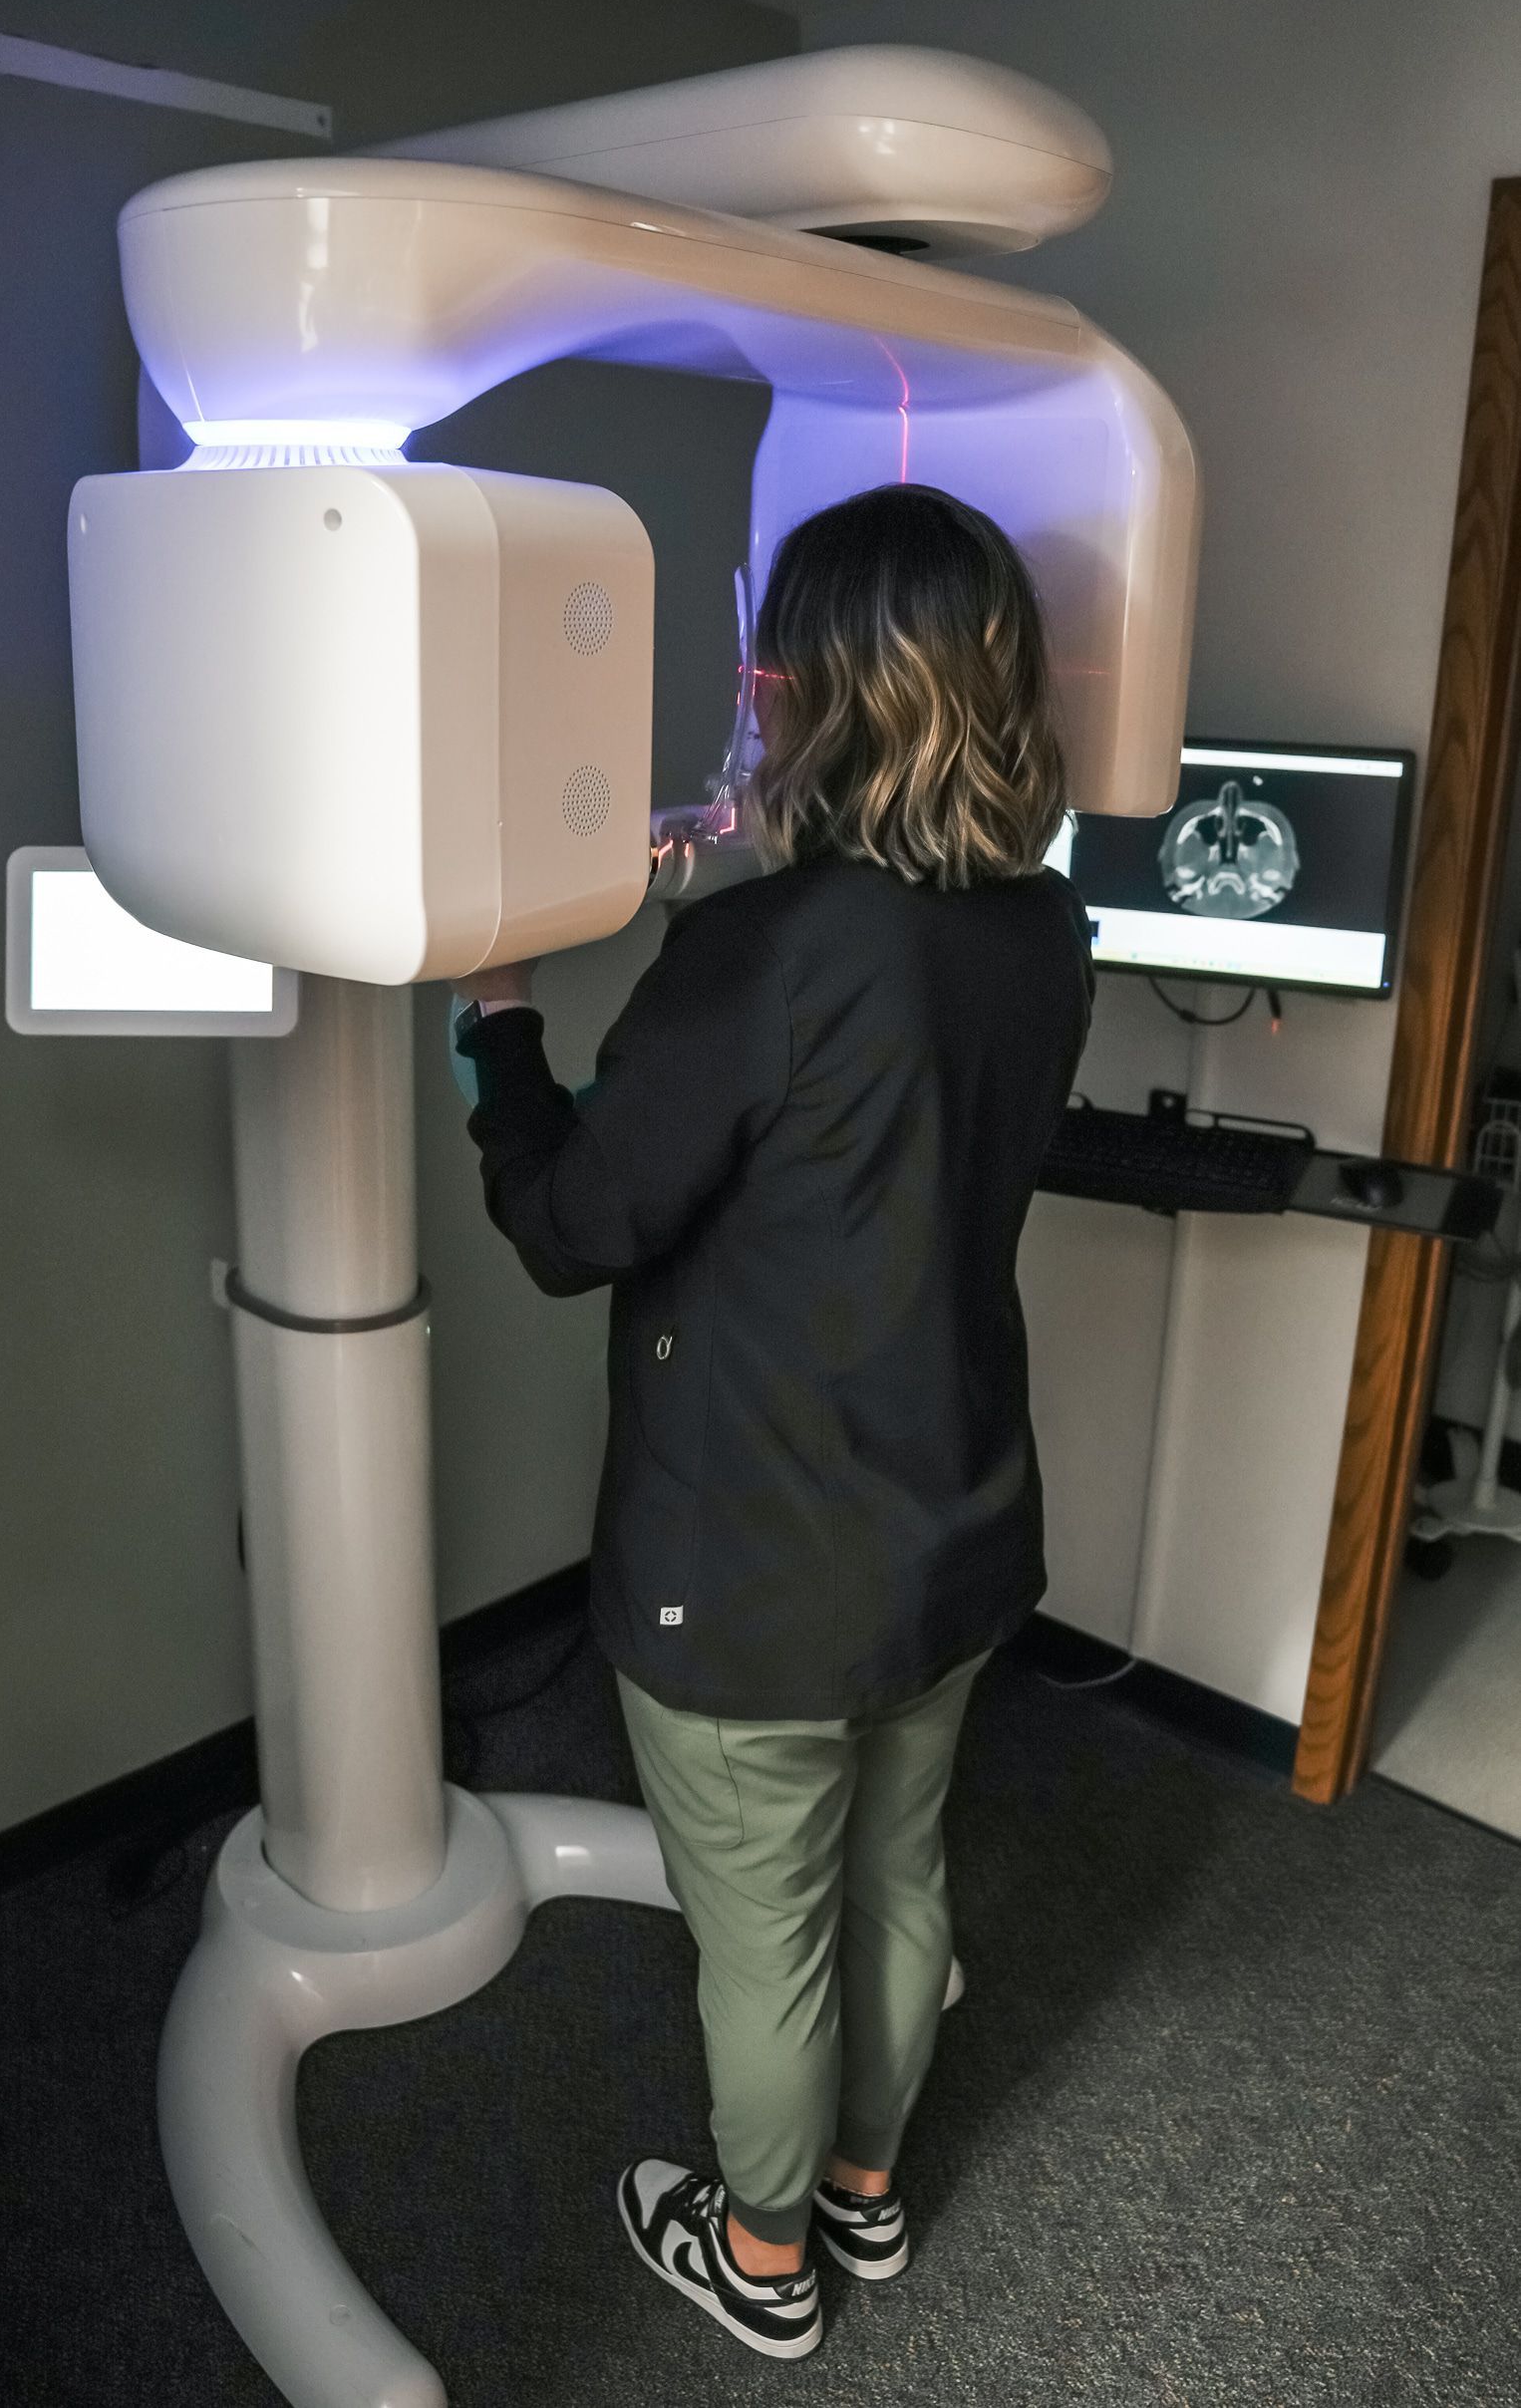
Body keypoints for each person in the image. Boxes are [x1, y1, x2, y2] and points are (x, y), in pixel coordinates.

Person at [453, 482, 1092, 2360]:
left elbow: (574, 1225)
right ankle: (870, 2203)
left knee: (766, 1943)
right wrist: (742, 879)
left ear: (809, 688)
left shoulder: (763, 957)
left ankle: (759, 2259)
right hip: (950, 1523)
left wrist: (498, 1026)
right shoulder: (1040, 928)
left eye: (764, 671)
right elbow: (857, 1103)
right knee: (901, 1871)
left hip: (752, 1567)